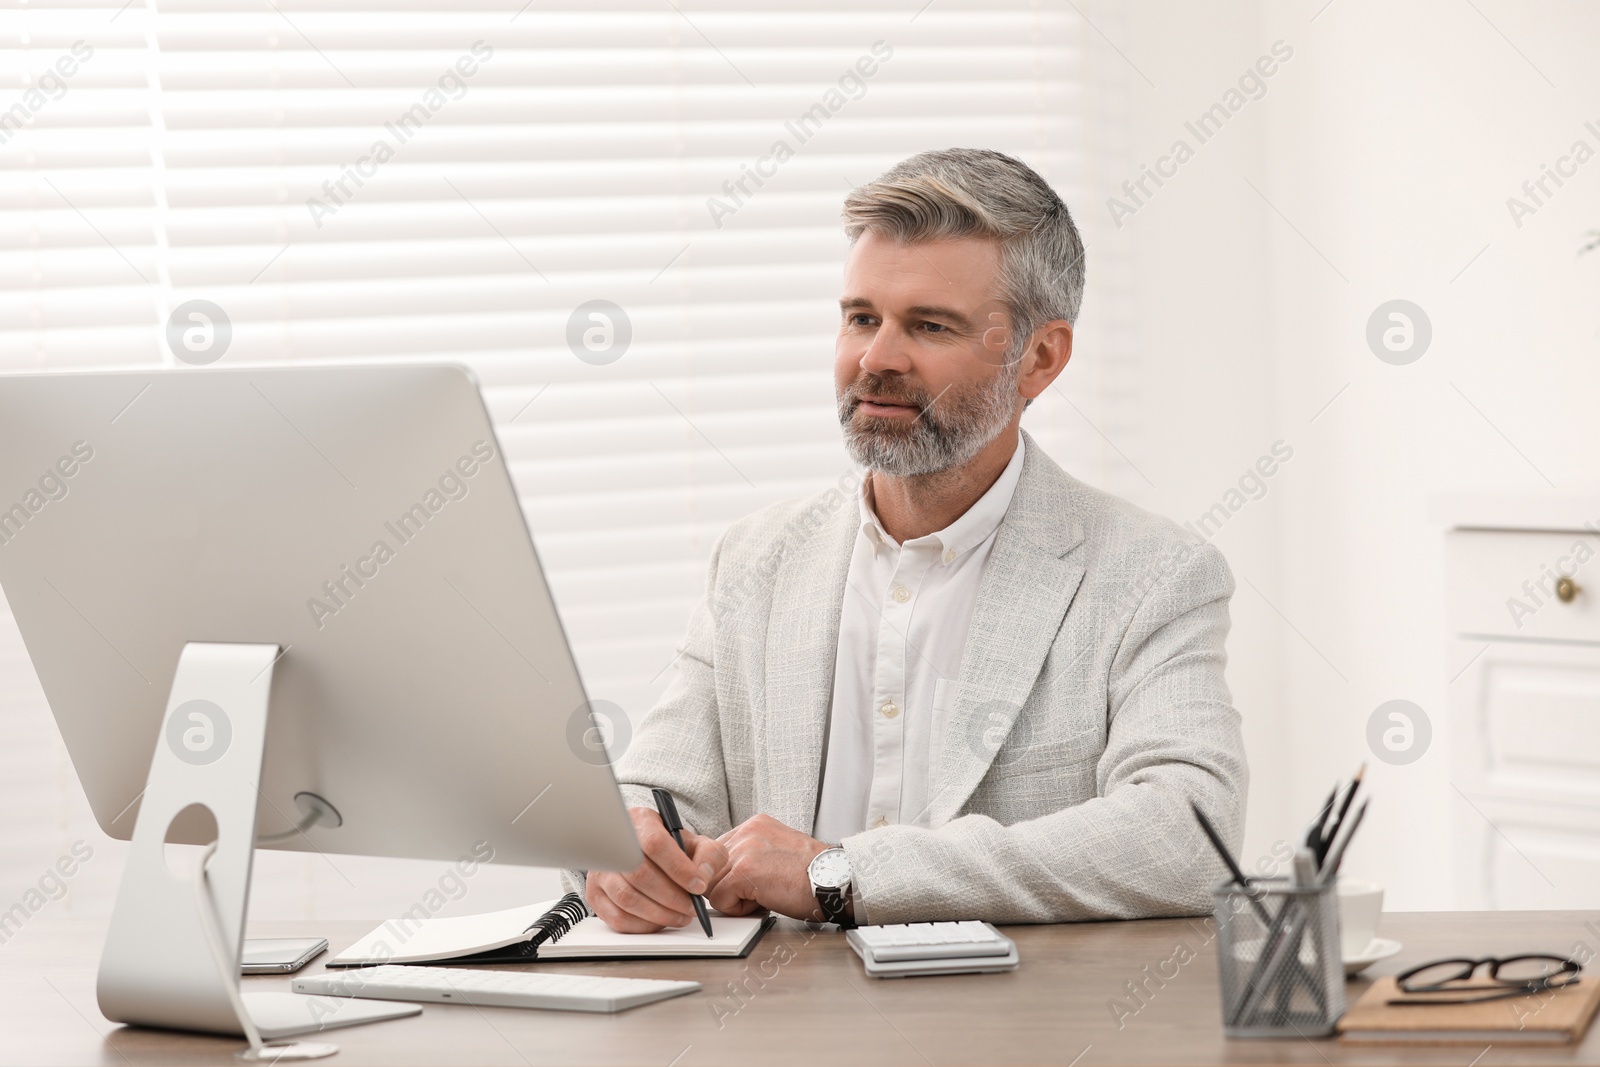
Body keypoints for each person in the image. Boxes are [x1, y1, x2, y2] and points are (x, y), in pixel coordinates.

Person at [569, 147, 1247, 930]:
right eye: (861, 317)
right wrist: (626, 853)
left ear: (1040, 357)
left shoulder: (1152, 574)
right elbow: (659, 800)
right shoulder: (754, 558)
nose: (876, 358)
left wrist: (842, 874)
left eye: (929, 325)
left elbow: (1187, 834)